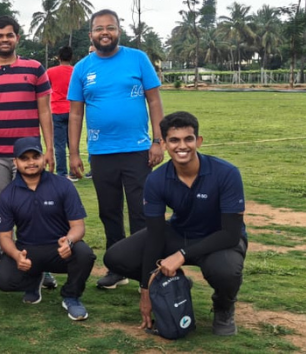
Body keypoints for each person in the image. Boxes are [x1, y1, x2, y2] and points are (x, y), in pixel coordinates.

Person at [103, 111, 247, 336]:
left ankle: (223, 307)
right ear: (164, 144)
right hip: (180, 232)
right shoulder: (156, 179)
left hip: (218, 239)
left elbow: (230, 234)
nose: (182, 146)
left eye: (188, 139)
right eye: (174, 140)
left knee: (226, 270)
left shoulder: (226, 173)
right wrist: (146, 290)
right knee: (116, 257)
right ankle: (174, 281)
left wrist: (181, 254)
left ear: (198, 141)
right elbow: (155, 235)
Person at [67, 8, 164, 289]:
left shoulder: (138, 58)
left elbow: (154, 101)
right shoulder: (82, 68)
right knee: (109, 212)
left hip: (137, 150)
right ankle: (117, 267)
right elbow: (75, 113)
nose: (105, 33)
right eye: (99, 29)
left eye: (110, 27)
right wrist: (74, 153)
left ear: (119, 31)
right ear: (91, 34)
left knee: (140, 212)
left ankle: (146, 268)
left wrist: (158, 141)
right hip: (101, 153)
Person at [0, 15, 54, 276]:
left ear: (17, 37)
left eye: (9, 35)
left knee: (34, 208)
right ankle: (10, 258)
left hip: (28, 155)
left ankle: (41, 262)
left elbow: (45, 111)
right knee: (0, 209)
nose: (4, 40)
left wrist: (49, 149)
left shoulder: (35, 68)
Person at [0, 137, 95, 321]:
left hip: (60, 248)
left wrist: (69, 241)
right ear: (15, 162)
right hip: (28, 251)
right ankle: (33, 280)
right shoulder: (8, 194)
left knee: (84, 254)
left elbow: (78, 226)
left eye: (35, 156)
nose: (31, 162)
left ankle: (71, 296)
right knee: (3, 280)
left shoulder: (63, 185)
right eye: (24, 158)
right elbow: (5, 236)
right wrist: (17, 255)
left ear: (44, 158)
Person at [46, 46, 75, 181]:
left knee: (59, 144)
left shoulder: (50, 72)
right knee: (73, 142)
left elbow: (46, 89)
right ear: (71, 57)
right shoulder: (75, 71)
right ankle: (74, 171)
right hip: (72, 110)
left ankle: (62, 173)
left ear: (58, 57)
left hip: (57, 109)